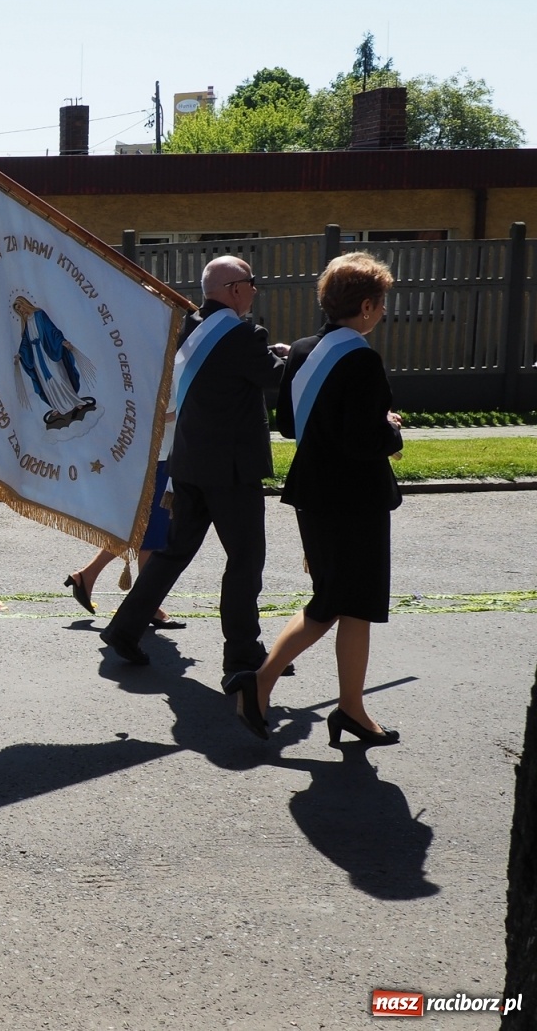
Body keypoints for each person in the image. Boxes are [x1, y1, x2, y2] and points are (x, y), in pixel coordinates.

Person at [225, 252, 404, 744]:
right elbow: (362, 441)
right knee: (341, 604)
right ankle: (259, 682)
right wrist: (390, 431)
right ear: (366, 306)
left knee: (343, 603)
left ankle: (350, 707)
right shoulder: (363, 358)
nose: (383, 312)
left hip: (313, 492)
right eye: (381, 303)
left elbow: (288, 425)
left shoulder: (304, 348)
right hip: (354, 499)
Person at [99, 256, 288, 671]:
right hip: (231, 470)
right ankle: (243, 653)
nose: (255, 289)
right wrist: (294, 356)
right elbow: (277, 377)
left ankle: (125, 628)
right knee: (244, 559)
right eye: (251, 282)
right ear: (235, 289)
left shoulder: (188, 327)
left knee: (174, 552)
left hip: (188, 463)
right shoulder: (242, 336)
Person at [65, 406, 183, 630]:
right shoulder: (166, 369)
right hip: (157, 456)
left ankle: (86, 575)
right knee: (152, 536)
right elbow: (157, 412)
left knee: (141, 529)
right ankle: (149, 606)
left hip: (156, 454)